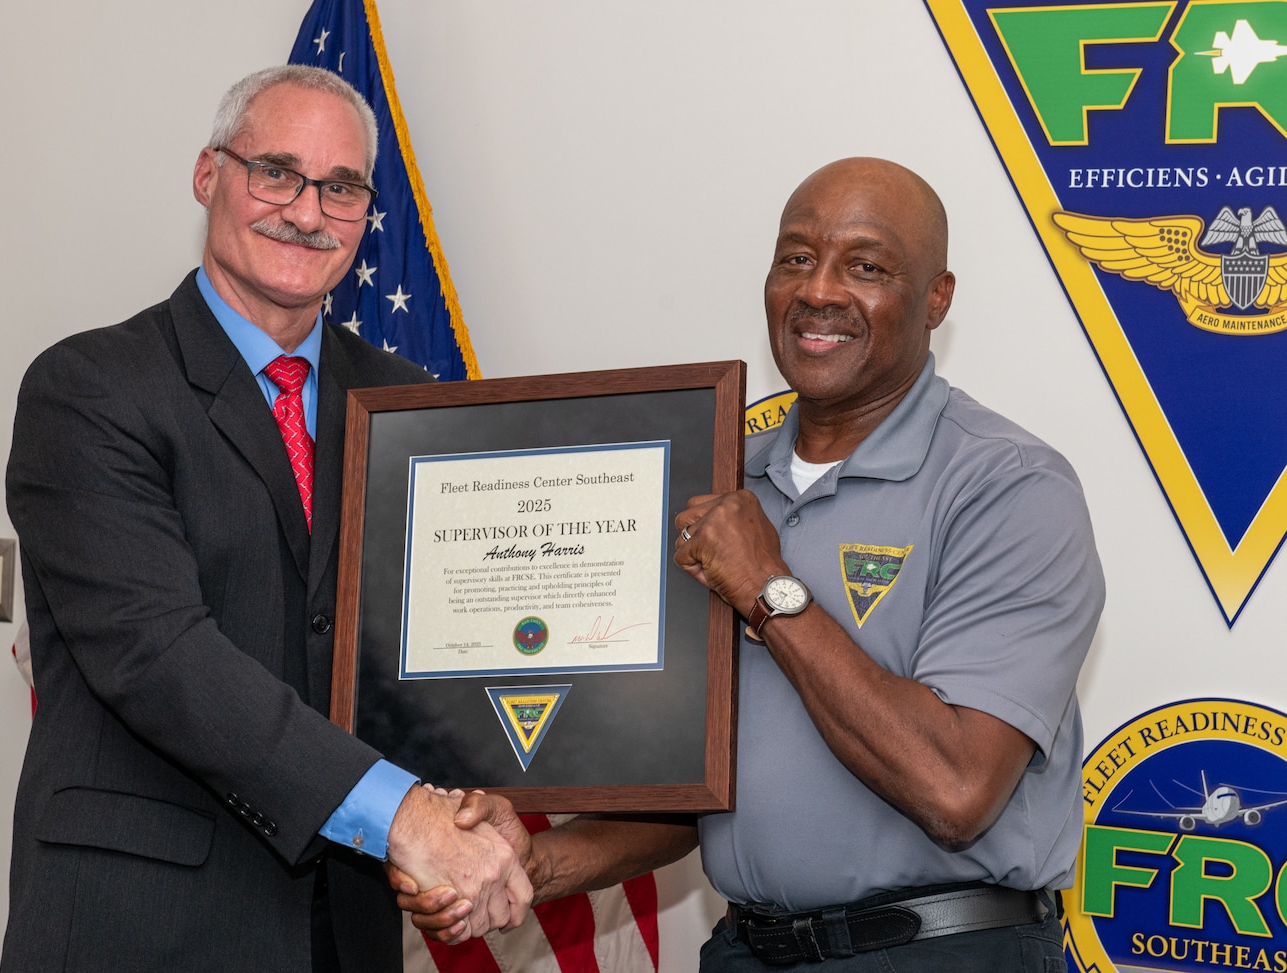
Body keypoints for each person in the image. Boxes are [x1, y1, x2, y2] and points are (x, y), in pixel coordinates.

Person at [400, 157, 1104, 972]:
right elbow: (693, 794)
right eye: (796, 258)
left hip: (939, 953)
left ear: (937, 298)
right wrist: (530, 864)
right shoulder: (715, 485)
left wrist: (769, 590)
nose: (820, 291)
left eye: (866, 266)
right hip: (748, 949)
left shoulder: (1008, 485)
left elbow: (955, 788)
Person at [0, 65, 530, 973]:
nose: (307, 210)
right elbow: (161, 657)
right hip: (143, 921)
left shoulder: (410, 405)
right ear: (210, 175)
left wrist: (491, 789)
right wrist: (407, 815)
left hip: (345, 924)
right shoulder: (90, 389)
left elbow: (439, 646)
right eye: (275, 172)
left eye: (343, 187)